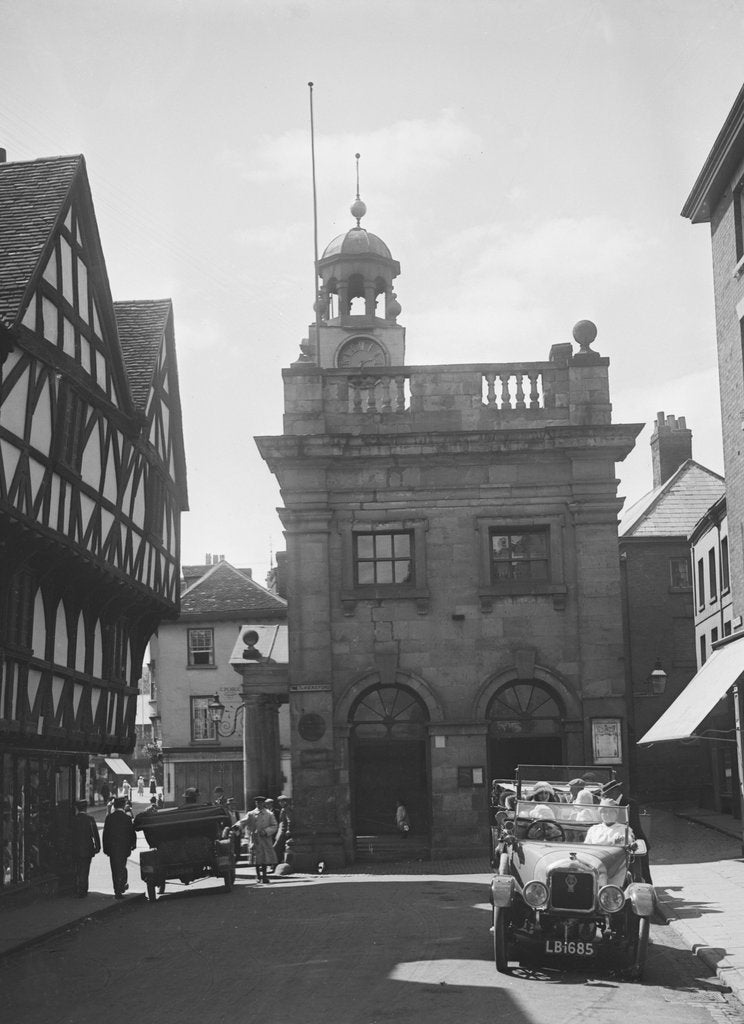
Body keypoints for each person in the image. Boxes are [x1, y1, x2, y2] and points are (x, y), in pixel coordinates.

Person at [102, 796, 137, 899]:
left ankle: (117, 889)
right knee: (122, 867)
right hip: (124, 848)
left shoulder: (109, 818)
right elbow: (132, 833)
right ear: (123, 805)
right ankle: (121, 886)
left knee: (114, 869)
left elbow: (105, 835)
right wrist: (133, 845)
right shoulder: (126, 818)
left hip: (112, 849)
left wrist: (105, 848)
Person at [238, 796, 277, 883]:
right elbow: (243, 821)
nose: (259, 804)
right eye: (257, 803)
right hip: (255, 839)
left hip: (265, 839)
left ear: (263, 803)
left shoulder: (269, 814)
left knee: (265, 858)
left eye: (260, 803)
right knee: (256, 858)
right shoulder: (251, 813)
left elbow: (274, 825)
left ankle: (265, 876)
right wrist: (237, 826)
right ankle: (258, 876)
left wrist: (266, 831)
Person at [71, 799, 101, 897]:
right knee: (85, 869)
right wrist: (97, 847)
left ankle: (78, 888)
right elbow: (95, 834)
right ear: (86, 808)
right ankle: (83, 890)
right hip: (87, 849)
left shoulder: (74, 819)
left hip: (75, 848)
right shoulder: (90, 819)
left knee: (78, 869)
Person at [273, 795, 293, 863]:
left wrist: (288, 830)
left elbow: (289, 820)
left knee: (276, 847)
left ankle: (276, 863)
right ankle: (277, 862)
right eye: (279, 802)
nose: (280, 803)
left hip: (283, 831)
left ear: (285, 802)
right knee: (278, 848)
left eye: (281, 802)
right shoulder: (283, 809)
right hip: (280, 830)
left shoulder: (286, 809)